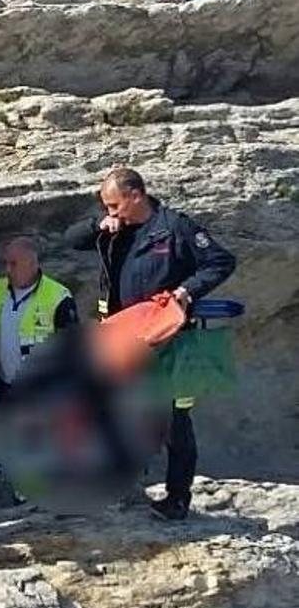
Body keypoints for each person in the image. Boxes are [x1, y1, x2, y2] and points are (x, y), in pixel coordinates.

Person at [65, 166, 236, 520]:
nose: (111, 212)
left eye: (114, 205)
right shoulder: (115, 229)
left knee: (174, 420)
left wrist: (187, 291)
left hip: (169, 340)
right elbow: (72, 239)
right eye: (106, 207)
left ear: (136, 195)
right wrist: (101, 225)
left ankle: (177, 498)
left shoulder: (174, 228)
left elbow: (220, 261)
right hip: (122, 337)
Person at [0, 236, 78, 417]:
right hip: (4, 386)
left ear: (32, 264)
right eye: (6, 263)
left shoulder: (58, 298)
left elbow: (72, 349)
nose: (7, 270)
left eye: (13, 264)